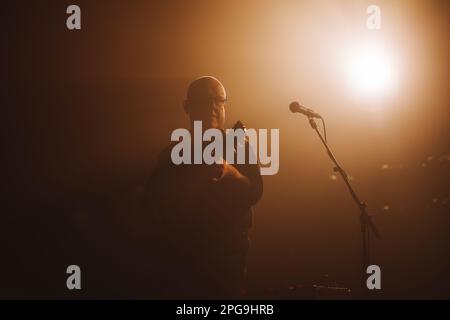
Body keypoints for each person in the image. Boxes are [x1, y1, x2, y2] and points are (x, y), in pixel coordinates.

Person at [142, 76, 263, 298]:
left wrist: (230, 172)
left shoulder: (240, 145)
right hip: (181, 269)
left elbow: (255, 192)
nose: (213, 107)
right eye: (204, 100)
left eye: (218, 100)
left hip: (226, 267)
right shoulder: (171, 154)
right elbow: (153, 206)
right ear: (187, 107)